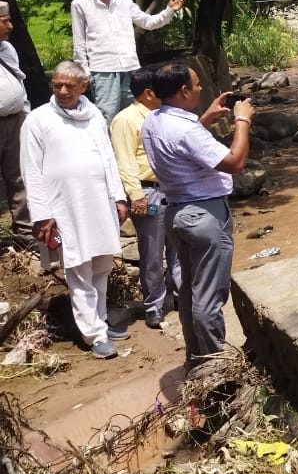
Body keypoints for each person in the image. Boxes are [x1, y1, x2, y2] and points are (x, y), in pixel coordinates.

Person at [142, 60, 253, 372]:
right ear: (183, 91)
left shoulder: (152, 120)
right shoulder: (186, 129)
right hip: (204, 215)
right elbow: (235, 162)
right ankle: (214, 369)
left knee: (191, 292)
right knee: (209, 297)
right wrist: (242, 122)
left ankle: (196, 361)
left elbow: (181, 147)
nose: (201, 88)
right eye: (196, 84)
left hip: (177, 212)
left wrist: (204, 120)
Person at [22, 61, 129, 359]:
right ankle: (94, 335)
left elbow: (107, 157)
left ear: (84, 85)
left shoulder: (93, 114)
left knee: (102, 266)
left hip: (99, 201)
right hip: (65, 207)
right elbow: (30, 170)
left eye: (70, 85)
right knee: (79, 268)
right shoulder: (38, 119)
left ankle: (102, 320)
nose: (63, 90)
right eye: (57, 85)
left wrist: (119, 197)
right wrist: (42, 215)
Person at [110, 66, 181, 330]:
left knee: (178, 247)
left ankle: (181, 297)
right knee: (152, 252)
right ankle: (154, 306)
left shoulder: (161, 115)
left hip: (172, 188)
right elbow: (125, 160)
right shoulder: (126, 120)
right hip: (148, 192)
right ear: (149, 92)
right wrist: (136, 196)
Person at [70, 0, 185, 124]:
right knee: (108, 116)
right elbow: (79, 41)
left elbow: (148, 22)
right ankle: (109, 149)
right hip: (103, 68)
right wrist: (84, 71)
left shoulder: (124, 1)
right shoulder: (80, 4)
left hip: (130, 66)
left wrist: (169, 11)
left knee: (136, 112)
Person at [0, 2, 32, 250]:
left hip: (15, 121)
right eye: (4, 21)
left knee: (19, 176)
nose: (10, 26)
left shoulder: (7, 49)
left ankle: (25, 232)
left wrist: (26, 115)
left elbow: (19, 85)